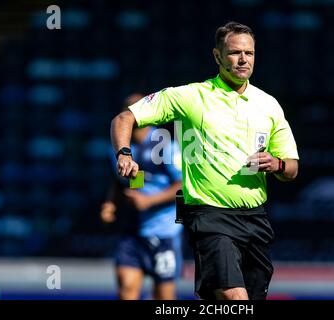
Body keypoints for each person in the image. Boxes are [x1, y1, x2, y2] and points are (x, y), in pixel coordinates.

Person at [110, 22, 299, 300]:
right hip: (208, 215)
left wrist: (278, 164)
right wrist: (123, 154)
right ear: (217, 56)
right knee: (236, 299)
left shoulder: (269, 105)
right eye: (235, 52)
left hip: (255, 218)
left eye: (250, 53)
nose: (243, 59)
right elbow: (124, 118)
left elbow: (292, 168)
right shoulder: (190, 96)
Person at [101, 93, 183, 300]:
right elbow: (120, 182)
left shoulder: (164, 146)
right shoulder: (119, 148)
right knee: (126, 289)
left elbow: (183, 185)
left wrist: (148, 201)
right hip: (132, 232)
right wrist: (110, 204)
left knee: (164, 297)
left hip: (164, 232)